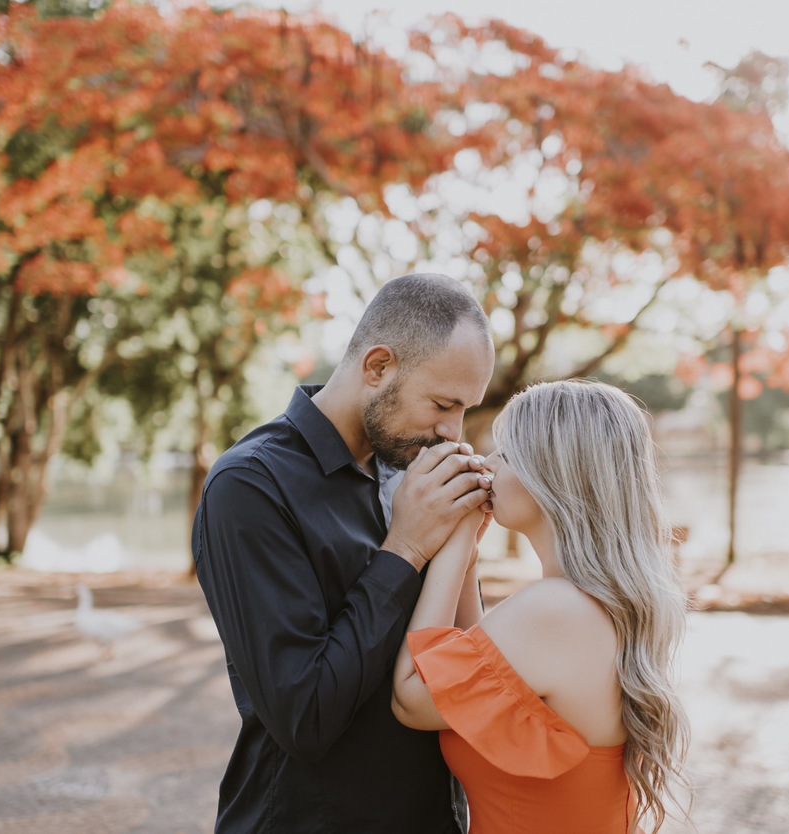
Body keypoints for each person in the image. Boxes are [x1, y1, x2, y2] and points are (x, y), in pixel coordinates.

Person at [192, 273, 496, 833]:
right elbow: (304, 715)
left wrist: (462, 551)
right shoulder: (251, 485)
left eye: (465, 410)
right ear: (378, 366)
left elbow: (458, 665)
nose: (453, 433)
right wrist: (403, 549)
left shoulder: (414, 473)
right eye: (442, 404)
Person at [391, 379, 691, 834]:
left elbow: (413, 695)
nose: (487, 464)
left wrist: (449, 547)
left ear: (550, 476)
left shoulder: (558, 610)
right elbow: (473, 674)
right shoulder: (589, 605)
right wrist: (468, 548)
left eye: (506, 454)